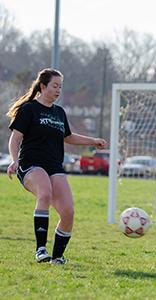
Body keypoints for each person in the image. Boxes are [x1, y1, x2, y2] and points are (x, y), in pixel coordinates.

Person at [6, 68, 107, 265]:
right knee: (45, 192)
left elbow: (68, 137)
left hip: (54, 165)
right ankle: (41, 249)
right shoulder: (29, 109)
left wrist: (93, 140)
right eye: (54, 86)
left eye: (60, 86)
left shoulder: (59, 112)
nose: (58, 90)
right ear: (43, 87)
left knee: (68, 212)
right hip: (31, 164)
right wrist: (14, 159)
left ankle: (58, 257)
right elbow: (15, 138)